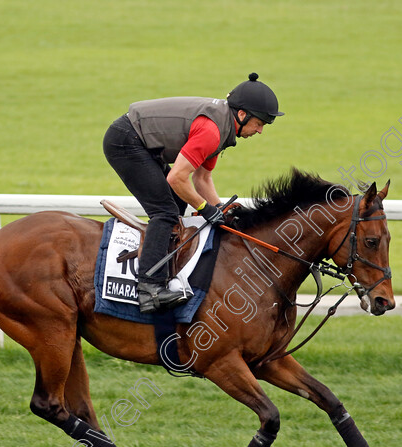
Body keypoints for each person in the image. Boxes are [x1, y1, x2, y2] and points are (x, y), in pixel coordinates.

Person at [103, 73, 283, 314]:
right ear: (242, 115)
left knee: (176, 202)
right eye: (259, 123)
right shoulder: (212, 131)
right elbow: (177, 178)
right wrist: (206, 210)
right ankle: (149, 288)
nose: (260, 131)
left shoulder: (223, 126)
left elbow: (202, 178)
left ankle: (162, 268)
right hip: (125, 140)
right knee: (165, 212)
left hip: (139, 140)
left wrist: (220, 210)